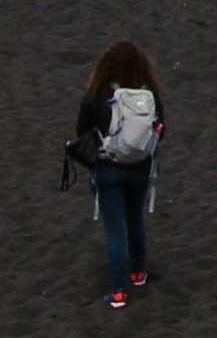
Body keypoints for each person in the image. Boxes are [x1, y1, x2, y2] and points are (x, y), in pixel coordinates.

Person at [62, 36, 164, 306]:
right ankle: (138, 271)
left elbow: (82, 130)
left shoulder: (98, 95)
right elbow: (161, 127)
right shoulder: (148, 94)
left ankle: (119, 290)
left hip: (108, 167)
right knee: (135, 218)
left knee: (115, 228)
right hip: (140, 166)